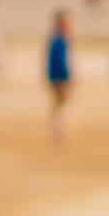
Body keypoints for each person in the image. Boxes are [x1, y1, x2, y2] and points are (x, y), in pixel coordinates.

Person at [45, 9, 73, 144]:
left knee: (59, 103)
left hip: (57, 75)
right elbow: (60, 61)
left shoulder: (57, 39)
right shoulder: (58, 40)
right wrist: (67, 76)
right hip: (59, 76)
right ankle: (58, 128)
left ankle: (58, 127)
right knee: (59, 103)